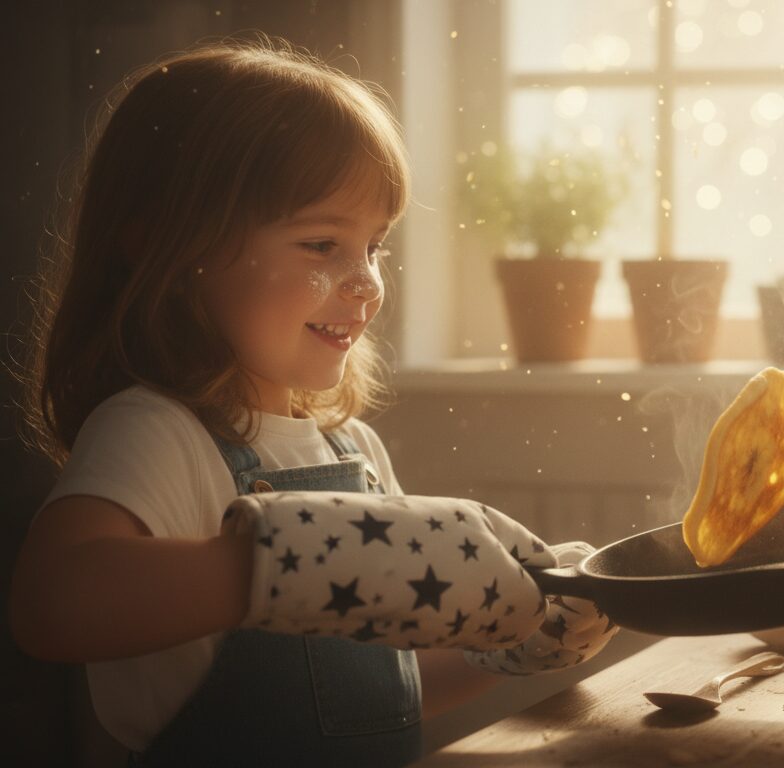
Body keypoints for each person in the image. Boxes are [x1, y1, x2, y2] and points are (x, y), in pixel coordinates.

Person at [8, 35, 616, 767]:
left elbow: (378, 690)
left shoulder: (352, 450)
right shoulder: (154, 431)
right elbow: (52, 605)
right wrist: (299, 564)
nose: (366, 283)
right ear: (168, 248)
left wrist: (519, 648)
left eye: (375, 246)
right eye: (323, 244)